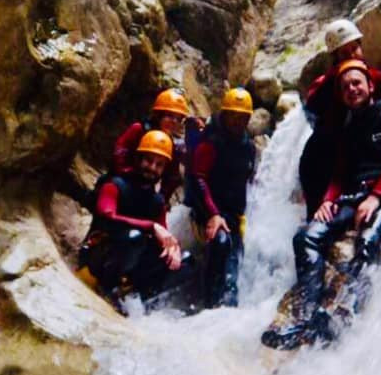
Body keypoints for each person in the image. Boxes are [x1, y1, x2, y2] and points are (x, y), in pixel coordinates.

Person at [263, 59, 381, 348]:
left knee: (368, 241)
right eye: (346, 86)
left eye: (357, 83)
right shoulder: (349, 129)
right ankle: (306, 316)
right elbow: (339, 174)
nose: (352, 89)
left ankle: (345, 313)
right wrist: (328, 201)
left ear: (371, 86)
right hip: (354, 196)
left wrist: (376, 196)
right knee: (306, 238)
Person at [299, 19, 381, 218]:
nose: (351, 56)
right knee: (317, 213)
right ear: (335, 58)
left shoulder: (372, 78)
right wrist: (334, 79)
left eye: (354, 49)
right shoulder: (324, 84)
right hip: (320, 156)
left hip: (349, 151)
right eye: (344, 53)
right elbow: (311, 108)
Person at [78, 130, 193, 309]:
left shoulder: (156, 201)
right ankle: (108, 288)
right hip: (100, 256)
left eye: (159, 165)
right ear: (138, 159)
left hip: (128, 263)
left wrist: (173, 249)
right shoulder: (114, 185)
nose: (152, 168)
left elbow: (161, 235)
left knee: (185, 261)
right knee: (135, 238)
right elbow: (106, 216)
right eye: (148, 160)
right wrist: (150, 226)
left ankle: (140, 299)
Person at [188, 87, 256, 308]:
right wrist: (213, 214)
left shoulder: (248, 147)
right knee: (220, 243)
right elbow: (199, 180)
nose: (237, 121)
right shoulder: (211, 142)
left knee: (234, 262)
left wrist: (241, 217)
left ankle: (226, 311)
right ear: (224, 115)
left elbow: (246, 181)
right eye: (233, 116)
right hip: (206, 210)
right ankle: (207, 304)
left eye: (242, 117)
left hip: (232, 214)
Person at [113, 88, 198, 204]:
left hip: (145, 188)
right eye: (169, 115)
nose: (174, 122)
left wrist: (162, 199)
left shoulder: (172, 146)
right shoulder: (139, 129)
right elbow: (119, 152)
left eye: (178, 119)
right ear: (158, 115)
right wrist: (127, 173)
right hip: (122, 182)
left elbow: (172, 177)